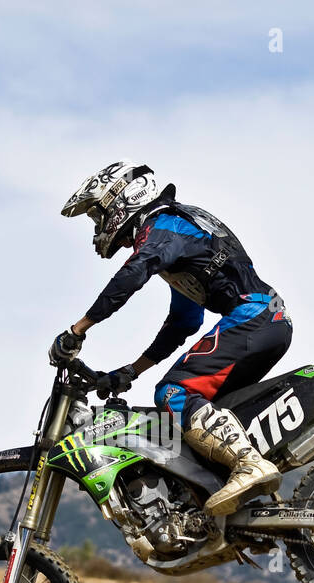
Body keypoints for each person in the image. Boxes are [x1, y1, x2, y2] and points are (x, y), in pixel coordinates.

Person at [50, 160, 293, 516]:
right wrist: (131, 371)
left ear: (122, 200)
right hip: (268, 320)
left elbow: (133, 274)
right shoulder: (177, 237)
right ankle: (248, 506)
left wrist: (78, 329)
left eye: (97, 215)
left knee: (174, 393)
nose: (98, 226)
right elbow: (183, 322)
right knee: (204, 411)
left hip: (254, 317)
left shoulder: (163, 227)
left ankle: (248, 465)